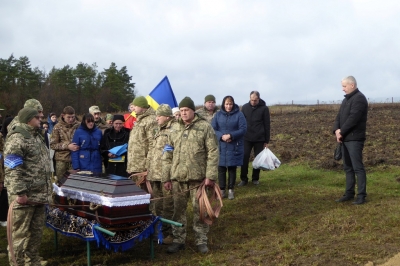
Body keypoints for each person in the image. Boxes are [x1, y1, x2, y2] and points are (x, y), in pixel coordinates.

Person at [162, 97, 218, 254]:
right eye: (181, 110)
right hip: (177, 178)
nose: (184, 113)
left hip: (198, 179)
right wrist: (166, 178)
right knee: (177, 211)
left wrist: (210, 176)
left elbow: (213, 152)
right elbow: (167, 154)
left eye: (186, 110)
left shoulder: (205, 128)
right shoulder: (173, 129)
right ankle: (178, 240)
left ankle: (201, 240)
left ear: (193, 110)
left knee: (200, 210)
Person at [4, 107, 51, 266]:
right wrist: (20, 192)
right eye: (38, 117)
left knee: (35, 235)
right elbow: (12, 168)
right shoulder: (18, 138)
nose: (41, 119)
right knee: (19, 237)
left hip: (38, 197)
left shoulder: (36, 136)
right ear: (29, 119)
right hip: (25, 198)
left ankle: (33, 262)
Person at [333, 76, 368, 205]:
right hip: (345, 139)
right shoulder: (346, 100)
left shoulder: (359, 99)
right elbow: (339, 117)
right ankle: (349, 193)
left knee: (358, 167)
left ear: (352, 85)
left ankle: (361, 196)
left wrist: (341, 132)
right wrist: (336, 130)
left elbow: (353, 118)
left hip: (355, 139)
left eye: (344, 86)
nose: (343, 89)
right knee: (348, 167)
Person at [147, 104, 176, 244]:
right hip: (155, 174)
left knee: (169, 205)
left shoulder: (173, 129)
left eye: (159, 115)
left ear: (167, 116)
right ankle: (157, 232)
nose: (156, 118)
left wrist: (169, 175)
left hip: (166, 175)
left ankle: (170, 233)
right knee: (157, 205)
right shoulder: (158, 130)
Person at [211, 96, 247, 200]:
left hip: (234, 145)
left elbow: (243, 129)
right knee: (221, 168)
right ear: (223, 104)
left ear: (233, 104)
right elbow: (213, 128)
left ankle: (231, 189)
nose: (228, 106)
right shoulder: (218, 115)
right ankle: (222, 190)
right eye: (226, 104)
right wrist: (222, 136)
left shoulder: (239, 115)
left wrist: (231, 135)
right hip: (221, 145)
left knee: (232, 168)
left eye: (230, 104)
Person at [238, 91, 270, 186]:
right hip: (246, 138)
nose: (253, 102)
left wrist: (266, 140)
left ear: (258, 99)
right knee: (244, 158)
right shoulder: (245, 107)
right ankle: (244, 179)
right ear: (249, 98)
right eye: (252, 100)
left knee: (258, 159)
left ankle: (255, 179)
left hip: (259, 138)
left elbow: (267, 124)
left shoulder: (264, 109)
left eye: (255, 100)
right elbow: (241, 123)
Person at [126, 96, 157, 176]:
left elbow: (152, 144)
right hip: (135, 166)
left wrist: (148, 165)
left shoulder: (150, 120)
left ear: (142, 106)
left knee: (143, 188)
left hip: (143, 167)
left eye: (135, 106)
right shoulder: (140, 120)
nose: (133, 109)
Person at [50, 106, 80, 183]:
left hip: (75, 159)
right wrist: (67, 146)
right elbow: (53, 145)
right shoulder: (57, 127)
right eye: (68, 117)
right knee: (61, 183)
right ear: (63, 115)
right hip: (61, 160)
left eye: (72, 117)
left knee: (75, 183)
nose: (71, 119)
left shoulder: (79, 126)